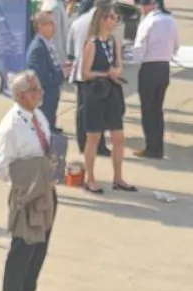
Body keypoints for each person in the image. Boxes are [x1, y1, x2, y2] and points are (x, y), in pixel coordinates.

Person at [0, 71, 56, 291]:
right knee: (22, 248)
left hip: (46, 191)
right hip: (27, 194)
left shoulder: (38, 117)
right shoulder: (11, 126)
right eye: (34, 91)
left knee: (40, 247)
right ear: (20, 96)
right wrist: (31, 173)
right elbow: (0, 168)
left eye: (40, 89)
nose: (40, 94)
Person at [80, 3, 133, 193]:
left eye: (116, 17)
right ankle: (90, 178)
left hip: (112, 92)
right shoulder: (92, 43)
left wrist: (116, 72)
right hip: (95, 94)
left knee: (118, 137)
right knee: (93, 137)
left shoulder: (114, 41)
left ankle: (118, 178)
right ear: (102, 19)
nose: (116, 20)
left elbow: (118, 65)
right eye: (112, 17)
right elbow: (85, 73)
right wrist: (105, 74)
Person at [132, 0, 177, 158]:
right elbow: (176, 46)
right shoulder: (170, 20)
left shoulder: (148, 21)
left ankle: (151, 148)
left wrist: (134, 59)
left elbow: (139, 48)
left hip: (149, 68)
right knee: (157, 110)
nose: (141, 9)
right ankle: (158, 147)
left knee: (148, 110)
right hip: (164, 68)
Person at [67, 0, 112, 157]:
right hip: (97, 71)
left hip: (80, 72)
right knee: (99, 111)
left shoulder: (78, 21)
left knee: (82, 110)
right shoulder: (104, 21)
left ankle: (82, 144)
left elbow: (70, 49)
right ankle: (98, 146)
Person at [25, 8, 63, 131]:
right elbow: (41, 78)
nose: (54, 26)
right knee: (44, 127)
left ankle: (52, 128)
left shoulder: (47, 43)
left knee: (50, 119)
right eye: (50, 24)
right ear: (40, 26)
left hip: (51, 96)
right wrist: (62, 74)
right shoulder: (38, 48)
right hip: (44, 98)